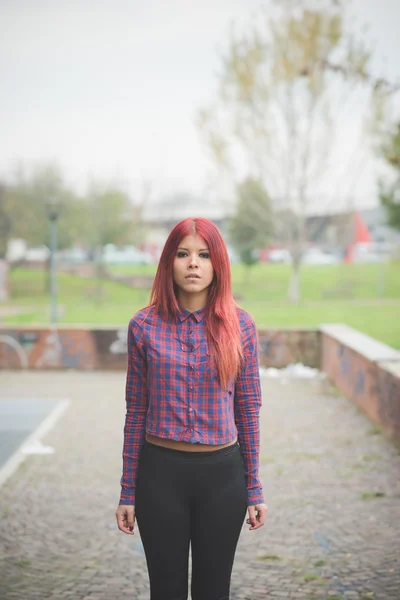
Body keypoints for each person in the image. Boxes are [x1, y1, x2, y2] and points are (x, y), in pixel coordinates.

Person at [115, 217, 268, 600]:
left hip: (223, 478)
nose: (193, 263)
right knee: (164, 591)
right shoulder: (143, 326)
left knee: (213, 591)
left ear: (218, 264)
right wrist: (127, 491)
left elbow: (248, 410)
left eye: (204, 254)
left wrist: (254, 488)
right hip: (159, 476)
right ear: (169, 262)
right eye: (183, 254)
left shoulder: (241, 326)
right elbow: (135, 412)